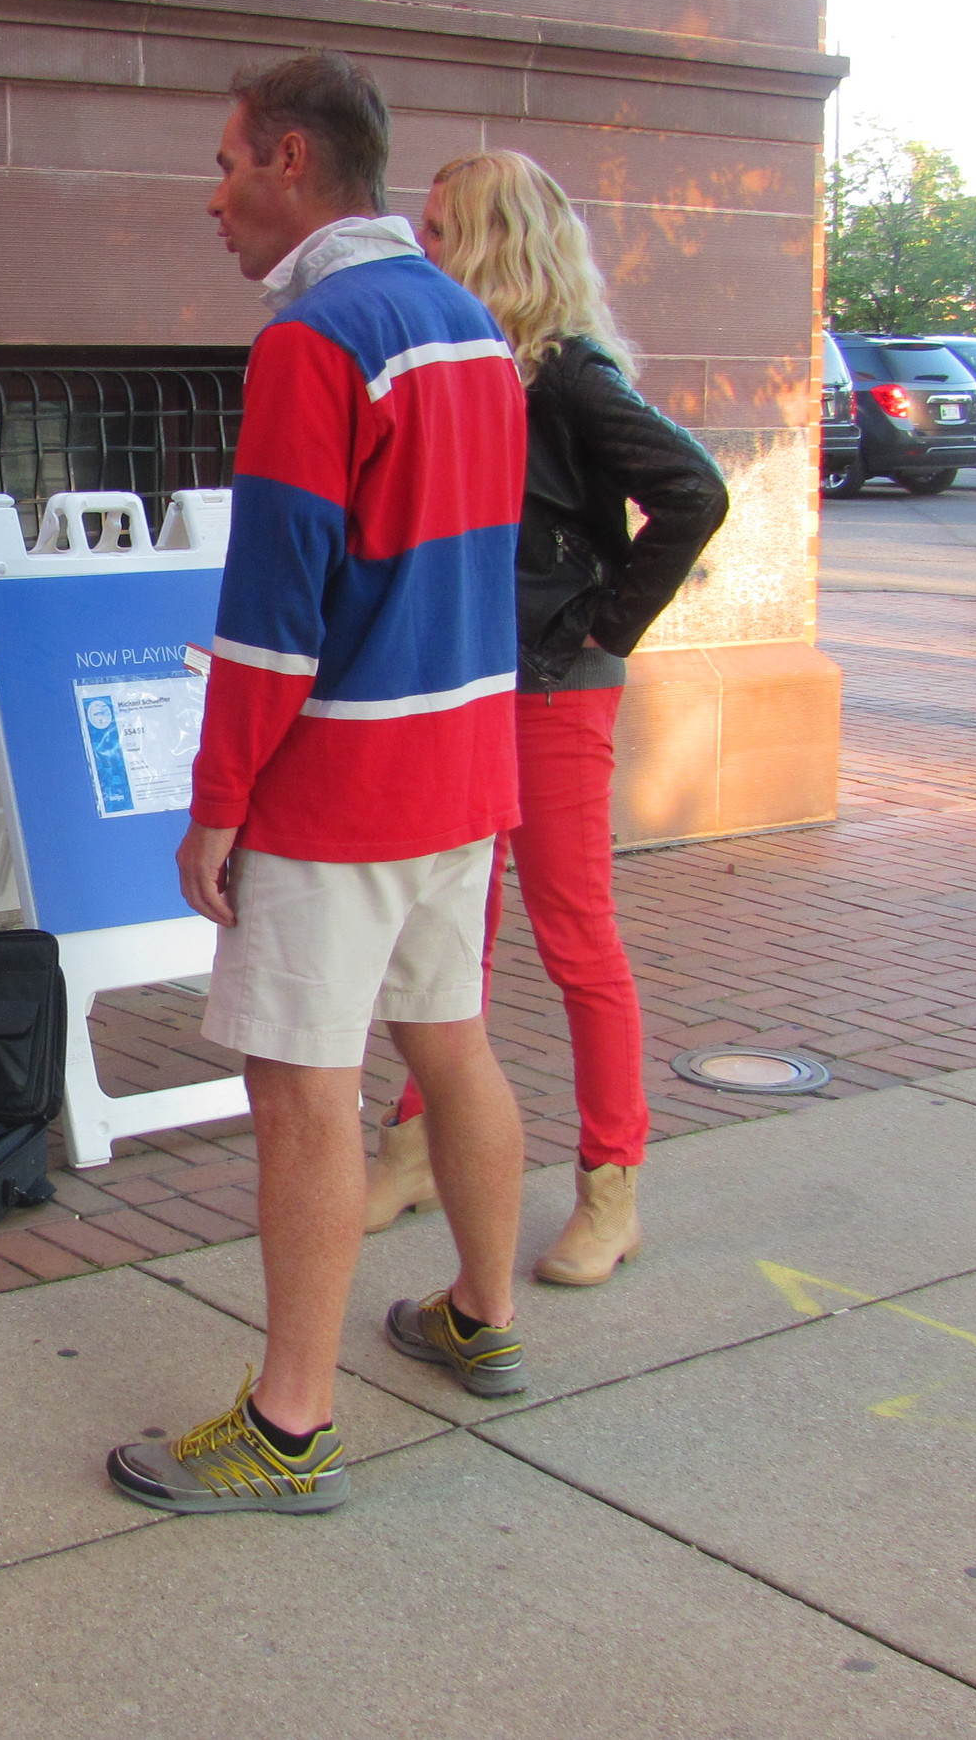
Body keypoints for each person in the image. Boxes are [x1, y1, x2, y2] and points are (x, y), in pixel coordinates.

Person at [107, 53, 532, 1517]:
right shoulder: (470, 325)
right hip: (465, 763)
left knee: (303, 1096)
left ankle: (291, 1422)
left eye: (227, 161)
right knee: (452, 1042)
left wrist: (218, 800)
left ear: (292, 161)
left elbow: (274, 609)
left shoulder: (311, 342)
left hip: (342, 781)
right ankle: (483, 1308)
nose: (211, 193)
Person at [365, 151, 728, 1286]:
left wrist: (600, 625)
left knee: (573, 937)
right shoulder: (469, 364)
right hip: (470, 682)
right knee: (444, 926)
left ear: (485, 243)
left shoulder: (567, 373)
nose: (417, 247)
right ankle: (416, 1147)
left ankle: (608, 1191)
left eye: (435, 231)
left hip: (551, 689)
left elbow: (693, 492)